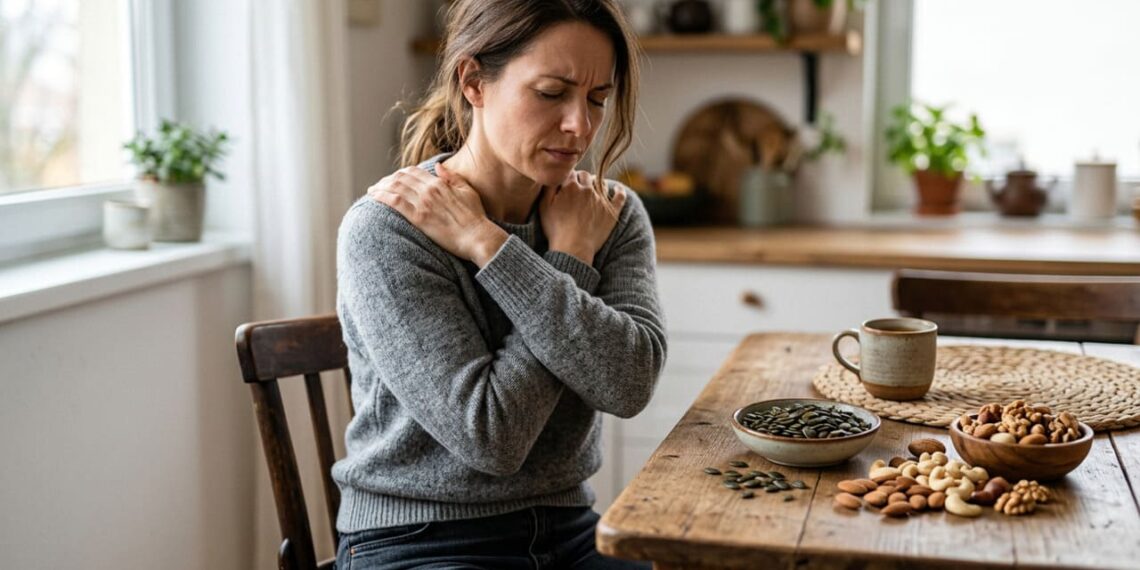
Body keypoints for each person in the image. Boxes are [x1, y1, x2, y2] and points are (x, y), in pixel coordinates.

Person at [333, 0, 665, 567]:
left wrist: (488, 245)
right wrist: (566, 261)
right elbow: (490, 438)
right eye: (552, 92)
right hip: (418, 540)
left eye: (597, 99)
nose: (580, 126)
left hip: (570, 529)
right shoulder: (387, 231)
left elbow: (628, 386)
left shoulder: (607, 214)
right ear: (473, 82)